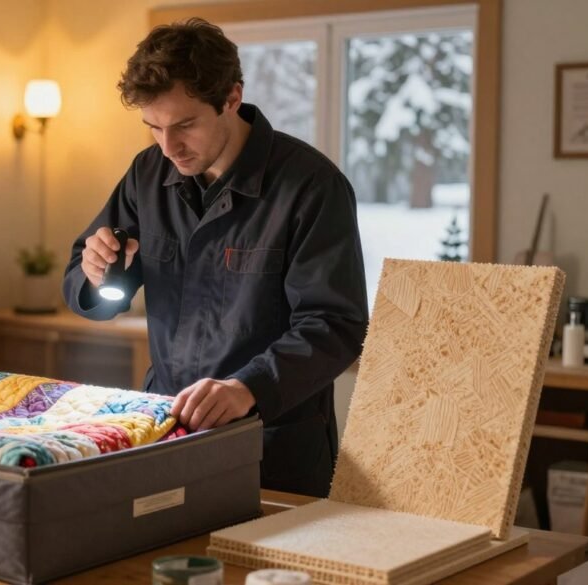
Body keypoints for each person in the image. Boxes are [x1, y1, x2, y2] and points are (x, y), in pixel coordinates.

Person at [61, 18, 369, 497]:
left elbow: (336, 325)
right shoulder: (148, 173)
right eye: (153, 128)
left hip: (275, 447)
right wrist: (97, 272)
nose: (169, 147)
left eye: (184, 125)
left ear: (231, 98)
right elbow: (89, 286)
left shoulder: (311, 187)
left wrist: (249, 388)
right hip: (164, 431)